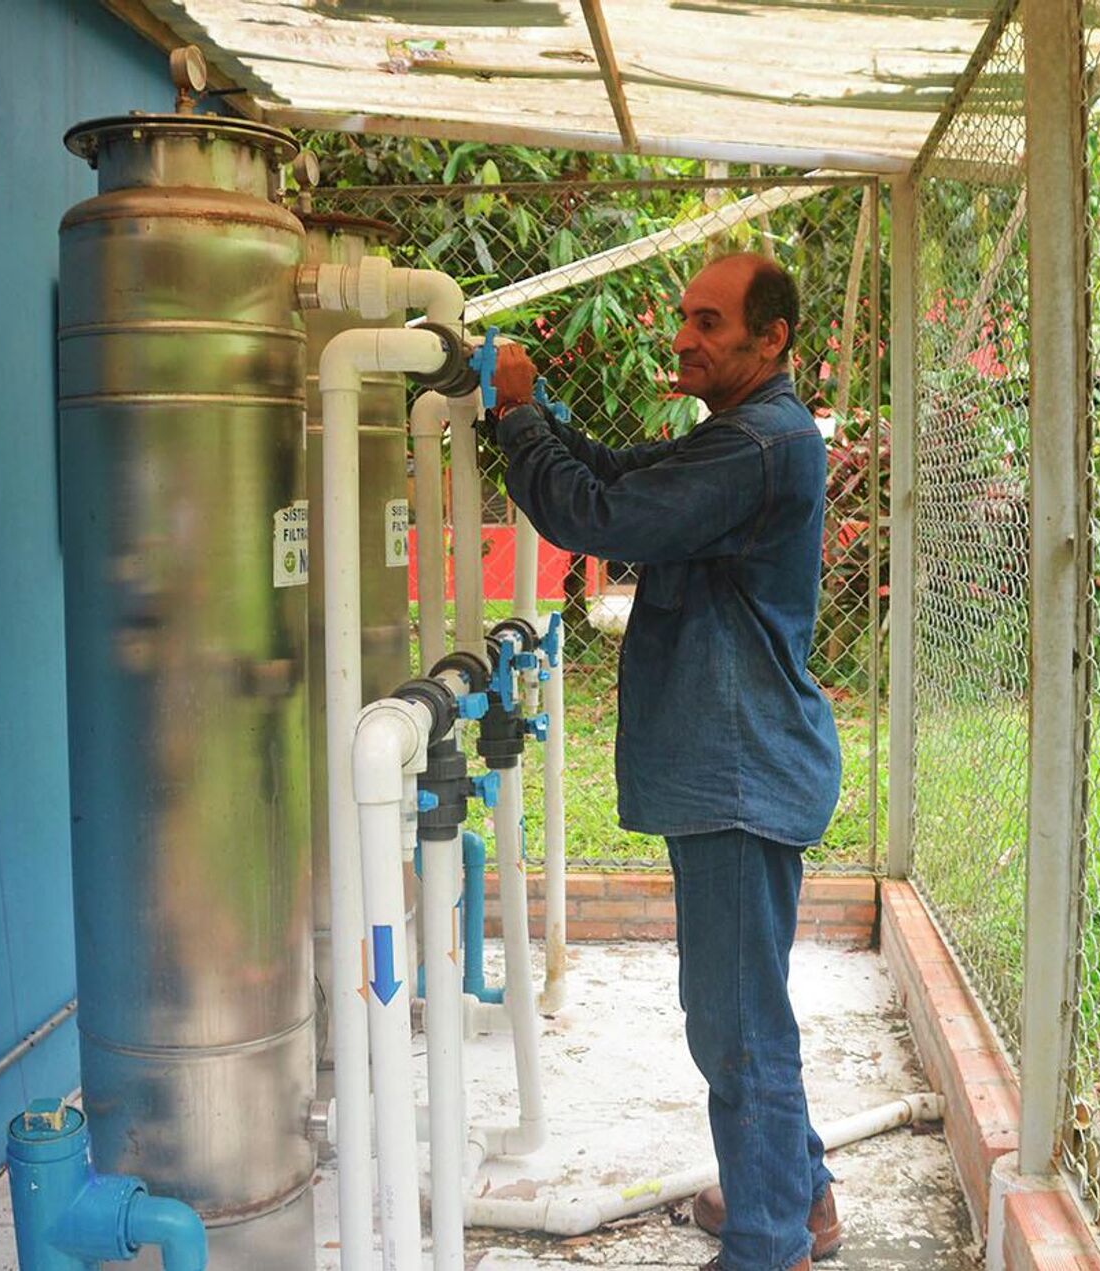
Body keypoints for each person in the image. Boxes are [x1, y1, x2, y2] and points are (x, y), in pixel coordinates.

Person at [484, 252, 844, 1271]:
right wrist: (540, 415)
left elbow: (597, 516)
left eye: (710, 320)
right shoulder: (734, 438)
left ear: (771, 338)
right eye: (684, 315)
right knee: (744, 1007)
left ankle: (770, 1240)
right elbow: (615, 470)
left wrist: (516, 420)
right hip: (736, 762)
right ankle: (798, 1196)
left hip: (740, 768)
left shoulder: (759, 446)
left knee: (733, 1023)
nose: (684, 335)